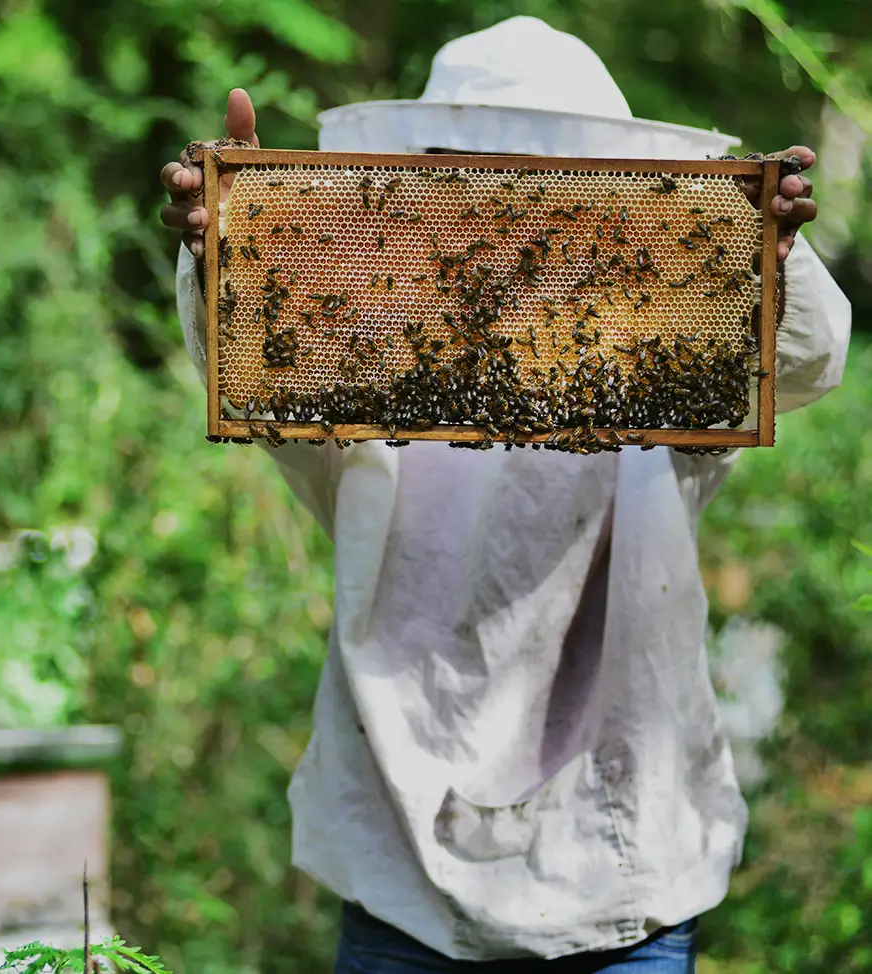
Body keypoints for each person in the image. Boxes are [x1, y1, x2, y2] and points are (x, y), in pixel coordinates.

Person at [159, 16, 850, 974]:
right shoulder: (359, 353)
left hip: (626, 872)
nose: (513, 215)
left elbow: (809, 357)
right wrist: (231, 253)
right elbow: (248, 362)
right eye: (483, 176)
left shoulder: (669, 340)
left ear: (613, 198)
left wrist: (765, 261)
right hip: (404, 864)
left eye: (545, 176)